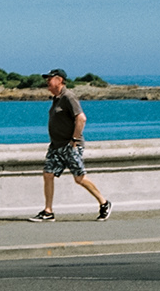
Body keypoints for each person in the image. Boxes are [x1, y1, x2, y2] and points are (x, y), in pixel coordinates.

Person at [35, 69, 111, 221]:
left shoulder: (68, 97)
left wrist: (74, 139)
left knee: (79, 178)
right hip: (56, 146)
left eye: (50, 79)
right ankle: (48, 211)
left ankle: (104, 203)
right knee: (48, 174)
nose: (47, 82)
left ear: (59, 80)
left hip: (70, 145)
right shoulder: (57, 99)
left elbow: (81, 118)